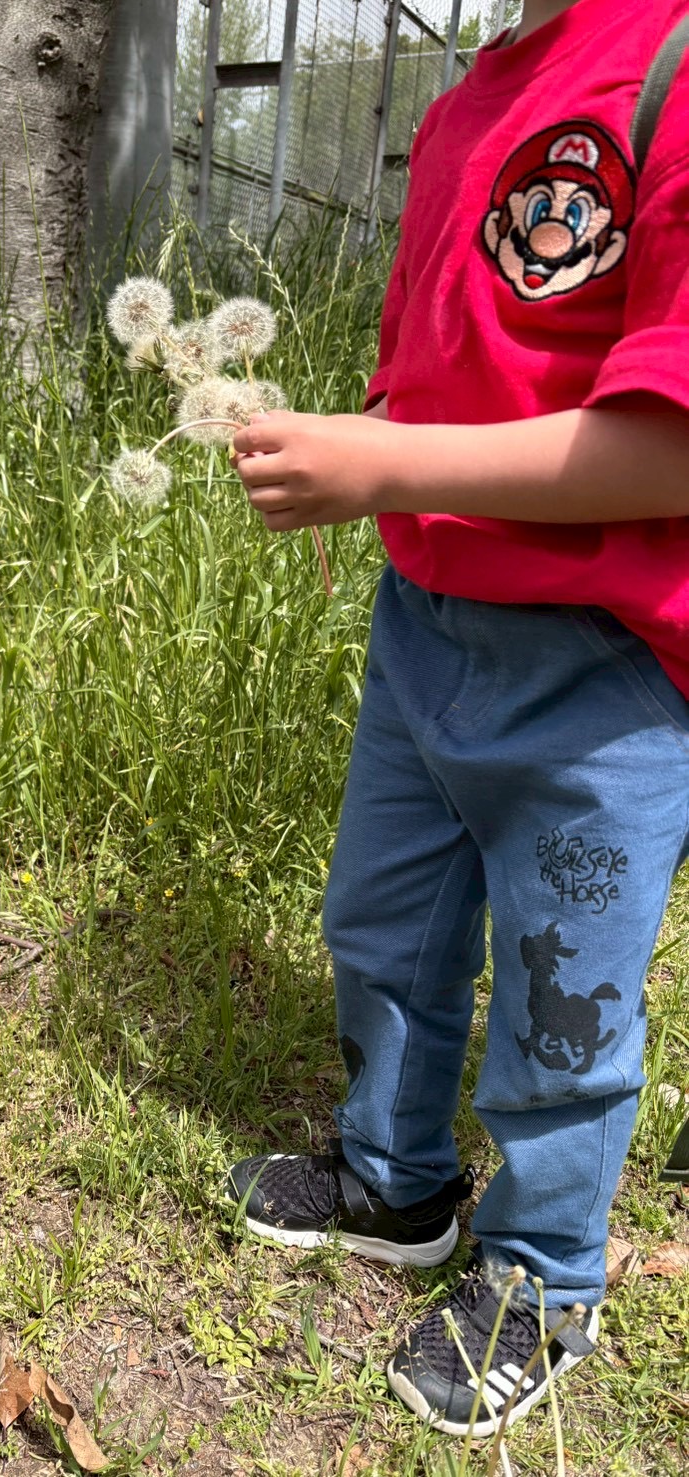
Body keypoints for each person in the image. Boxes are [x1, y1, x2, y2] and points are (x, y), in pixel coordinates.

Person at [227, 0, 689, 1439]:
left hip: (600, 674)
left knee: (565, 1002)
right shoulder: (469, 101)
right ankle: (396, 1176)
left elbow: (667, 444)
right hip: (423, 622)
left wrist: (380, 461)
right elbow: (455, 375)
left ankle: (546, 1271)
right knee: (382, 921)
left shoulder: (669, 70)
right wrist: (355, 449)